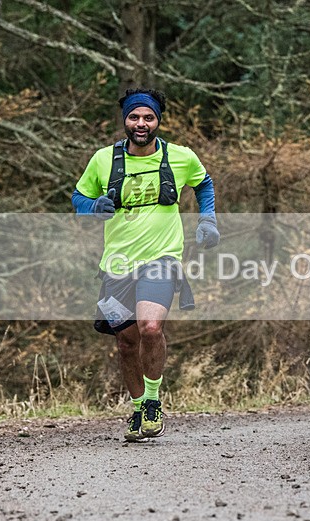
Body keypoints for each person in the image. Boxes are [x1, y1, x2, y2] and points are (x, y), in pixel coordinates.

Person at [72, 88, 220, 442]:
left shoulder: (180, 157)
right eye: (134, 117)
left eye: (148, 117)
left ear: (158, 121)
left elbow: (204, 184)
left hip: (162, 257)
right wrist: (93, 208)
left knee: (150, 327)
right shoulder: (103, 160)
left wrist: (208, 219)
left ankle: (153, 402)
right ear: (125, 120)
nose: (141, 123)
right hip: (117, 264)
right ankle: (138, 407)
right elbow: (79, 197)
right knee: (126, 341)